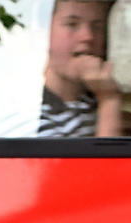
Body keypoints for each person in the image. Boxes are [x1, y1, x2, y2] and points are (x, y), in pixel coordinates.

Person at [38, 0, 122, 137]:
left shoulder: (89, 99)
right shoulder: (27, 114)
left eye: (98, 27)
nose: (88, 37)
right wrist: (109, 100)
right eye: (72, 24)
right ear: (44, 33)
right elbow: (105, 159)